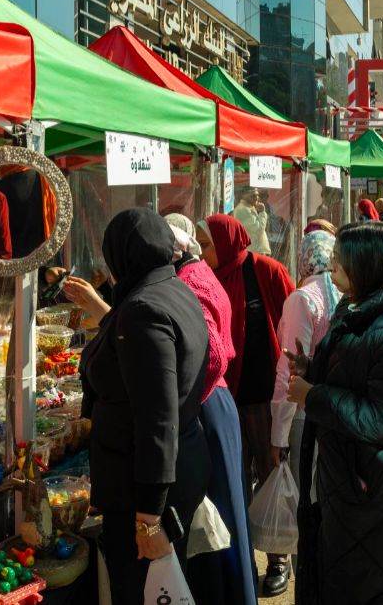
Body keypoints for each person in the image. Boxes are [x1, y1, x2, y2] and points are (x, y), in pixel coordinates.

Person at [68, 216, 254, 604]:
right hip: (177, 466)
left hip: (144, 488)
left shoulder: (143, 309)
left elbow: (157, 417)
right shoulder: (174, 288)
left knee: (145, 589)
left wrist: (149, 519)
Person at [289, 222, 383, 603]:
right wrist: (312, 369)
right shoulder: (359, 308)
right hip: (362, 489)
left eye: (340, 261)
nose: (332, 267)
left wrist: (314, 396)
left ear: (368, 267)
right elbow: (358, 376)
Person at [196, 214, 294, 592]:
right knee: (235, 482)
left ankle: (278, 558)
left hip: (265, 398)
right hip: (226, 399)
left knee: (270, 476)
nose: (202, 252)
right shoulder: (206, 278)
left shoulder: (265, 271)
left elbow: (290, 323)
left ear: (226, 242)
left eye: (207, 245)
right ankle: (243, 560)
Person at [267, 231, 340, 595]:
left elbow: (289, 371)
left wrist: (277, 436)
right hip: (334, 413)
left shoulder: (302, 298)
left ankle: (309, 583)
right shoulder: (343, 293)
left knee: (305, 505)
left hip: (303, 414)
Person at [233, 187, 272, 256]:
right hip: (254, 252)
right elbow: (258, 230)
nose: (256, 198)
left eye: (257, 195)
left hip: (256, 251)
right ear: (244, 195)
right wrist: (262, 212)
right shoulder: (243, 209)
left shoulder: (249, 207)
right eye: (253, 195)